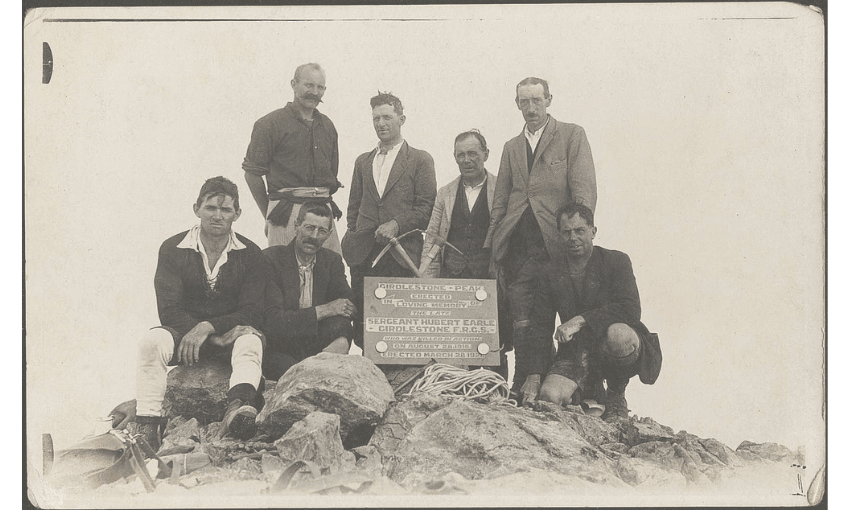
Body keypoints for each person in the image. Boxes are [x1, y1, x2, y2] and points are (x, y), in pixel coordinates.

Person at [110, 177, 268, 450]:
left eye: (226, 210)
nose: (217, 216)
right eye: (210, 208)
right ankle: (148, 424)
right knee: (152, 341)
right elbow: (168, 310)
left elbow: (252, 311)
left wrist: (209, 328)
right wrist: (202, 333)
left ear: (237, 214)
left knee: (251, 340)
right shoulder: (173, 249)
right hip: (184, 339)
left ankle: (236, 410)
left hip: (227, 338)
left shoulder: (251, 253)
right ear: (196, 208)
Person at [484, 76, 598, 390]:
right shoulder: (510, 147)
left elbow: (584, 191)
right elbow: (501, 200)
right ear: (517, 104)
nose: (531, 108)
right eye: (525, 102)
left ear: (549, 100)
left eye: (537, 100)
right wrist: (494, 244)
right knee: (523, 319)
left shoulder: (572, 135)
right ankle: (524, 383)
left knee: (570, 316)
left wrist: (578, 237)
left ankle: (583, 390)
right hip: (519, 244)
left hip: (558, 243)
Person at [517, 203, 662, 422]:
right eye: (566, 232)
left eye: (579, 231)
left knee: (619, 335)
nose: (573, 238)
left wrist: (581, 320)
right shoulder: (550, 272)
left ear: (593, 231)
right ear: (559, 235)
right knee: (549, 397)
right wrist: (534, 375)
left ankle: (615, 395)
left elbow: (631, 309)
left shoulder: (616, 261)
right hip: (575, 351)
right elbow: (541, 326)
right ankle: (587, 392)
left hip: (610, 344)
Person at [342, 91, 436, 347]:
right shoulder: (363, 161)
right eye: (376, 118)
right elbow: (353, 206)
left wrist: (397, 224)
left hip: (401, 255)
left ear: (401, 119)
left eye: (387, 117)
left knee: (398, 327)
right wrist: (355, 233)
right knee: (364, 328)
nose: (381, 123)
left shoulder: (420, 159)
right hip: (363, 255)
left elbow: (426, 209)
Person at [418, 129, 509, 378]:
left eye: (472, 153)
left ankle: (495, 392)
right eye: (460, 155)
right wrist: (428, 281)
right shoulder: (445, 193)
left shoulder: (502, 188)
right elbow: (432, 237)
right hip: (452, 279)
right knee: (453, 343)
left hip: (489, 279)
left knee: (492, 341)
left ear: (486, 154)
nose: (466, 160)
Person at [242, 63, 343, 253]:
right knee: (284, 273)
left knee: (330, 270)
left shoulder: (328, 126)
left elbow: (332, 173)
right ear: (293, 84)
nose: (314, 92)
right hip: (286, 211)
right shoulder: (269, 124)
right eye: (308, 85)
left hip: (323, 211)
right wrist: (270, 214)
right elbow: (252, 175)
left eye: (320, 87)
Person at [262, 201, 356, 379]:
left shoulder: (331, 261)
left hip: (315, 344)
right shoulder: (271, 258)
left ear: (328, 235)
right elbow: (274, 322)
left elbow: (347, 304)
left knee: (342, 326)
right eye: (309, 228)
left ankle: (319, 370)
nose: (314, 236)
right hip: (281, 345)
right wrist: (325, 310)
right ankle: (316, 373)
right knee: (291, 371)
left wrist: (343, 308)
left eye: (321, 231)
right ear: (296, 226)